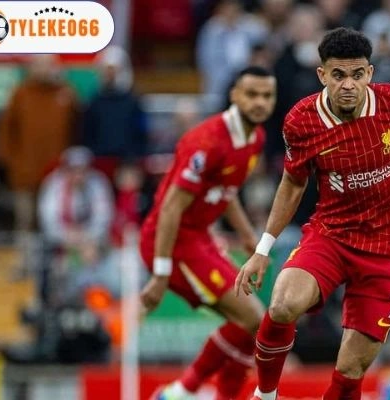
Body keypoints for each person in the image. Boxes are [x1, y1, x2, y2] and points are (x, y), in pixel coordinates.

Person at [234, 27, 390, 400]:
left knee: (350, 369)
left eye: (357, 74)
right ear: (323, 75)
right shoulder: (301, 121)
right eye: (339, 75)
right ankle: (266, 394)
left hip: (387, 246)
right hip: (332, 233)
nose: (349, 85)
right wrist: (262, 250)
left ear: (369, 73)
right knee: (283, 302)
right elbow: (292, 183)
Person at [139, 66, 277, 400]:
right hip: (172, 242)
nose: (260, 102)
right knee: (255, 321)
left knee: (253, 324)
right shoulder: (207, 142)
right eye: (252, 94)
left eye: (267, 95)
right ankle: (185, 391)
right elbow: (170, 208)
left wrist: (248, 237)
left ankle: (183, 393)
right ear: (234, 96)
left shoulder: (255, 137)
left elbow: (225, 192)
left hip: (199, 237)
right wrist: (160, 275)